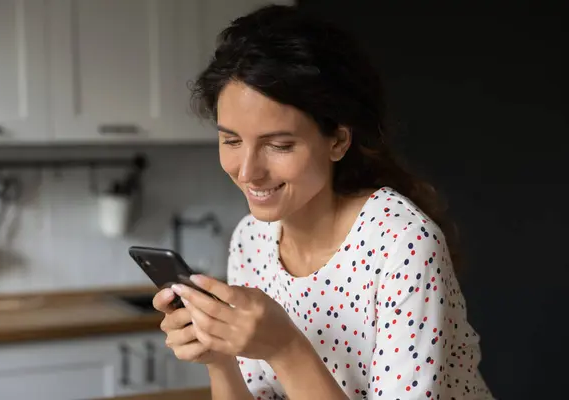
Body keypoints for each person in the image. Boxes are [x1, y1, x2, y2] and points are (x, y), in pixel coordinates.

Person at [152, 4, 493, 399]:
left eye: (279, 145)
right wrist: (219, 358)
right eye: (231, 140)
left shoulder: (403, 245)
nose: (246, 172)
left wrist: (286, 348)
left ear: (338, 141)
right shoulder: (252, 239)